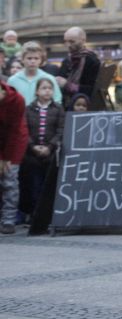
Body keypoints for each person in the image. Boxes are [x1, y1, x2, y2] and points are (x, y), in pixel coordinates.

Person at [19, 79, 64, 223]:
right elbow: (24, 129)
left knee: (49, 186)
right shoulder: (28, 109)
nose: (47, 91)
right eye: (44, 88)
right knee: (33, 185)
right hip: (32, 155)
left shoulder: (58, 109)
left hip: (51, 154)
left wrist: (49, 147)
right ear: (37, 91)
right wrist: (33, 146)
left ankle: (48, 215)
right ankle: (34, 215)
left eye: (50, 88)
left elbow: (61, 130)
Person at [0, 81, 28, 234]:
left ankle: (8, 219)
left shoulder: (17, 100)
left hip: (15, 140)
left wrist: (6, 158)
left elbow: (15, 130)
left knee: (9, 179)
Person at [56, 27, 101, 107]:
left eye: (72, 41)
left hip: (84, 106)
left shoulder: (92, 61)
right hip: (65, 105)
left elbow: (93, 90)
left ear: (83, 40)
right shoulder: (67, 61)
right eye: (65, 41)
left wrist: (67, 85)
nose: (68, 45)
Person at [7, 41, 63, 105]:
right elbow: (8, 102)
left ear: (41, 60)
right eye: (29, 58)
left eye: (36, 58)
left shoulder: (49, 78)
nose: (33, 61)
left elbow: (57, 101)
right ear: (22, 60)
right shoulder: (13, 80)